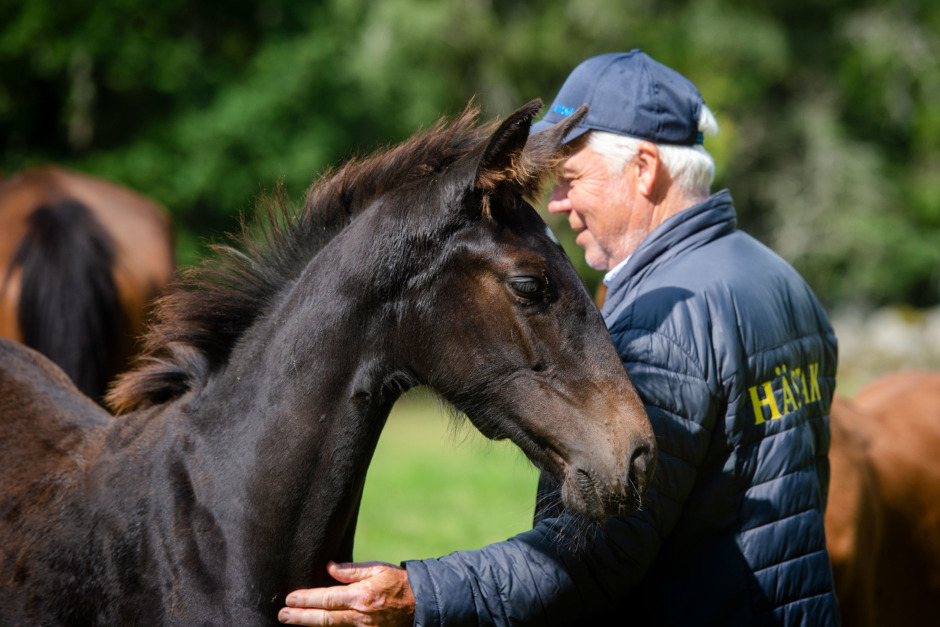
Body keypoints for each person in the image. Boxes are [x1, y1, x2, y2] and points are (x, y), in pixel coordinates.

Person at [279, 50, 841, 626]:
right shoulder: (782, 281)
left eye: (571, 178)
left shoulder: (665, 318)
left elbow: (600, 555)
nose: (557, 203)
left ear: (644, 168)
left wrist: (423, 594)